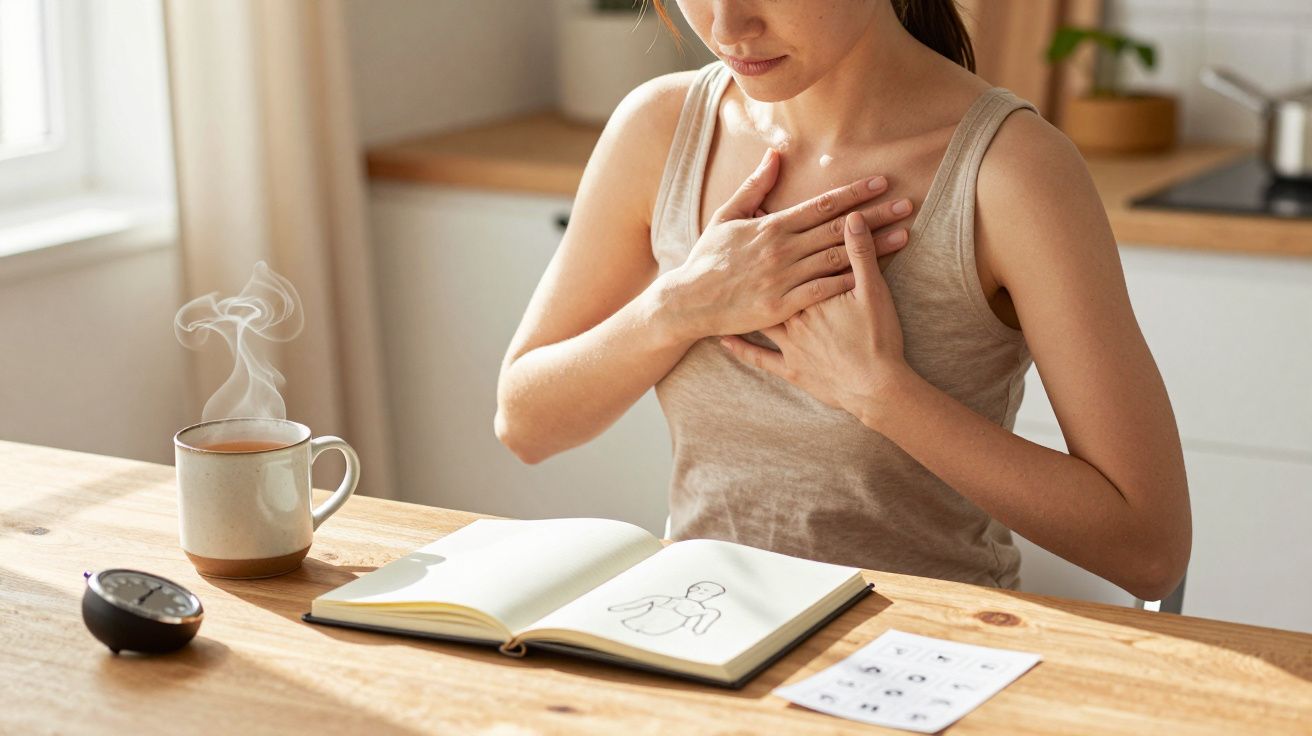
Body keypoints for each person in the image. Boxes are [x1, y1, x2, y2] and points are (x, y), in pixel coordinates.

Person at [495, 0, 1190, 602]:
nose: (728, 24)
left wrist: (881, 394)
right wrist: (681, 305)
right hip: (705, 633)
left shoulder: (1011, 172)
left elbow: (1149, 549)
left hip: (927, 654)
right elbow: (526, 422)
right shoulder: (660, 129)